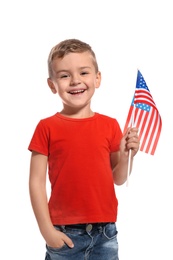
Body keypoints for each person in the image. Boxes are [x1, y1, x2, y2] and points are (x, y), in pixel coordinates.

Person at [28, 38, 139, 260]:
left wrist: (128, 155)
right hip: (64, 233)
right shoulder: (46, 127)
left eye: (84, 72)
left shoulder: (110, 125)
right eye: (64, 75)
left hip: (105, 233)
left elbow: (117, 178)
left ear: (97, 78)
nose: (75, 81)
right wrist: (47, 231)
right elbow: (36, 182)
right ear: (52, 85)